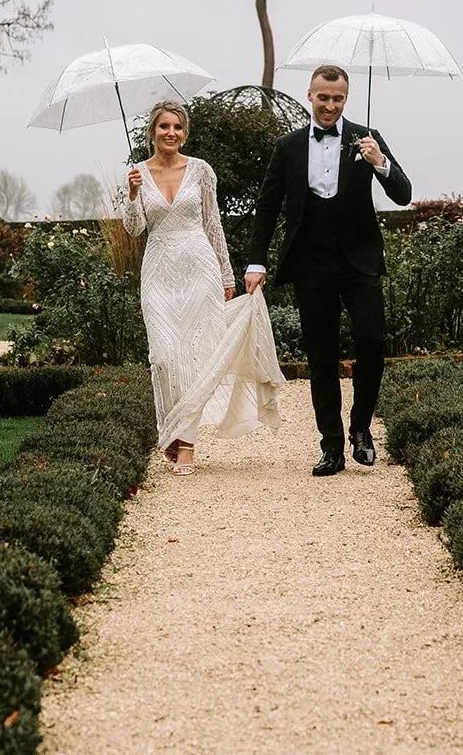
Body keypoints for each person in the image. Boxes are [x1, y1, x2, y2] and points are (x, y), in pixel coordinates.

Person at [244, 65, 412, 476]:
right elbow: (267, 207)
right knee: (322, 356)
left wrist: (380, 162)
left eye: (337, 99)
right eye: (323, 98)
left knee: (372, 342)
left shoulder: (366, 139)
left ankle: (361, 428)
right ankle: (332, 447)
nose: (330, 106)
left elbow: (404, 194)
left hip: (359, 262)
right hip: (311, 263)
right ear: (310, 95)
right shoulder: (288, 146)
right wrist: (256, 260)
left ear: (346, 99)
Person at [124, 99, 283, 475]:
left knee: (196, 359)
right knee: (164, 357)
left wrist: (227, 276)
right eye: (164, 127)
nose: (171, 133)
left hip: (200, 269)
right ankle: (174, 429)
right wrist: (132, 196)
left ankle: (187, 446)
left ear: (185, 132)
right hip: (159, 271)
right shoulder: (138, 175)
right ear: (153, 132)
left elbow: (213, 225)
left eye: (177, 127)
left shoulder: (200, 171)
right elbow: (134, 229)